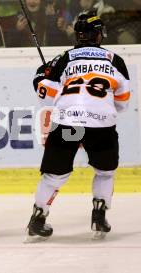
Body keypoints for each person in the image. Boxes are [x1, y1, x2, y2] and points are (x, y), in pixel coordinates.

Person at [28, 12, 130, 241]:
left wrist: (39, 77)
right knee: (105, 172)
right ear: (98, 35)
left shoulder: (64, 57)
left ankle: (38, 218)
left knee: (54, 175)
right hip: (101, 124)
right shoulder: (115, 59)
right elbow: (123, 103)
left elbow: (45, 95)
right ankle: (99, 215)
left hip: (67, 121)